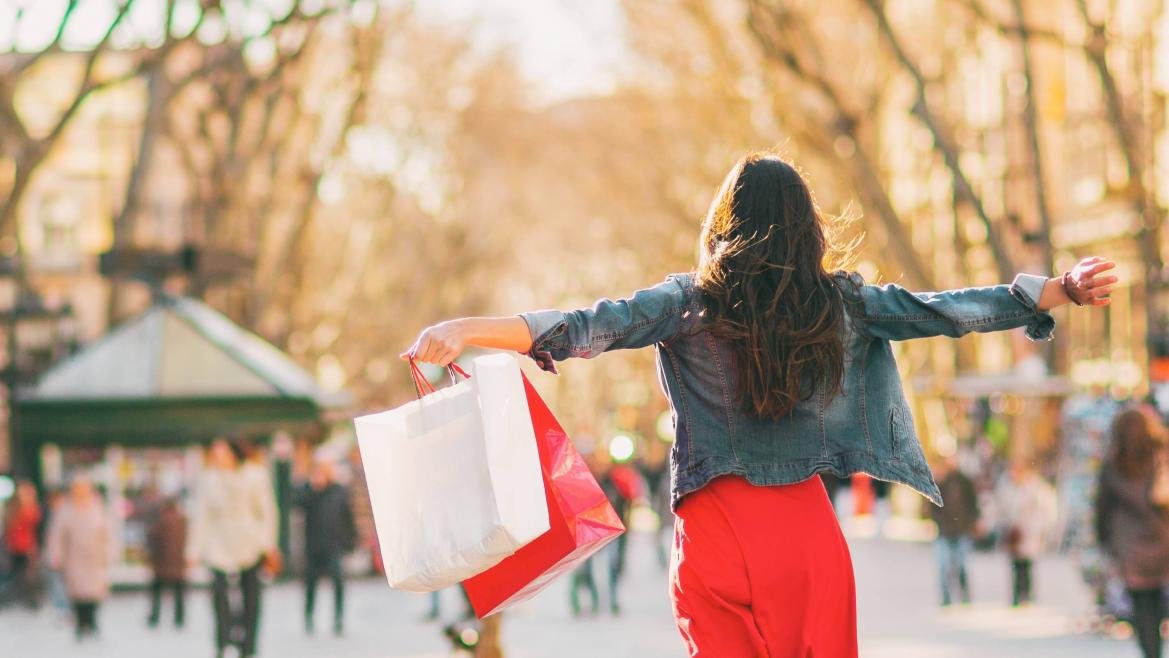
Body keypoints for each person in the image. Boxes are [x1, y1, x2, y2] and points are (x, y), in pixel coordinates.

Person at [401, 152, 1115, 656]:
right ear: (806, 226)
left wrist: (466, 330)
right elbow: (939, 311)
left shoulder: (685, 303)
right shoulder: (838, 303)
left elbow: (582, 325)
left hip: (714, 534)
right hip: (806, 539)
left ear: (723, 219)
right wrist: (1055, 288)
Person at [189, 438, 278, 658]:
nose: (217, 457)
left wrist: (268, 544)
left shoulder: (255, 475)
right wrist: (193, 549)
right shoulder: (209, 479)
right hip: (219, 542)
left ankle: (248, 644)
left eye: (221, 452)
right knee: (219, 597)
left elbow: (266, 512)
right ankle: (222, 641)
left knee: (251, 597)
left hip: (250, 541)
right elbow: (202, 516)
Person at [1095, 405, 1169, 658]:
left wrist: (1103, 540)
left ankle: (1151, 650)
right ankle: (1155, 646)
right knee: (1159, 596)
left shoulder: (1114, 464)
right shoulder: (1161, 455)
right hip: (1162, 537)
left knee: (1141, 603)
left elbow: (1102, 507)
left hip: (1129, 544)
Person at [294, 458, 355, 635]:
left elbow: (347, 518)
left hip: (333, 545)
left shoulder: (338, 492)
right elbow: (296, 503)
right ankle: (309, 617)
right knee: (310, 584)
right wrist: (309, 487)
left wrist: (350, 542)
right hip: (313, 545)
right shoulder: (307, 492)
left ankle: (338, 618)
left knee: (338, 582)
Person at [45, 476, 110, 640]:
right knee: (77, 592)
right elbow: (57, 535)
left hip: (94, 558)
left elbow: (107, 533)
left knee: (94, 592)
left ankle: (92, 621)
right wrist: (56, 556)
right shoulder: (65, 509)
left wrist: (107, 553)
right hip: (74, 557)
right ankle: (81, 622)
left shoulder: (97, 507)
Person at [996, 458, 1058, 606]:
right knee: (1015, 566)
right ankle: (1017, 595)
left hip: (1030, 533)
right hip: (1014, 533)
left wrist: (1039, 528)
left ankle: (1027, 595)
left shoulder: (1037, 488)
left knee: (1027, 565)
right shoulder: (1007, 487)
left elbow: (1047, 511)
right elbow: (1001, 508)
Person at [928, 455, 980, 606]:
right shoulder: (939, 482)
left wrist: (971, 523)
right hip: (944, 531)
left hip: (961, 530)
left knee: (962, 564)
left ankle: (964, 593)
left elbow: (973, 505)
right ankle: (945, 596)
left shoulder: (965, 482)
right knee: (943, 566)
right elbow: (931, 506)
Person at [147, 496, 188, 629]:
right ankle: (179, 618)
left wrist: (152, 559)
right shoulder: (183, 522)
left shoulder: (159, 522)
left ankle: (154, 617)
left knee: (157, 593)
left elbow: (152, 541)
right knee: (179, 595)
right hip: (178, 566)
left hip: (161, 566)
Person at [2, 480, 42, 608]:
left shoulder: (28, 509)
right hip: (18, 547)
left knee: (25, 575)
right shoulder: (18, 509)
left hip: (25, 546)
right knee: (19, 574)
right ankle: (17, 598)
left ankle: (26, 599)